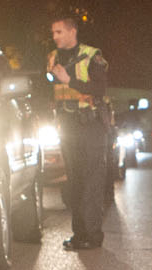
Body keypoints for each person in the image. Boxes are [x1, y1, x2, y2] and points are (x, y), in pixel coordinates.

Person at [46, 14, 112, 250]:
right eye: (53, 32)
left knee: (92, 182)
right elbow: (49, 90)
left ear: (72, 32)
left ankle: (93, 236)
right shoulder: (52, 58)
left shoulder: (92, 55)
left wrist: (69, 79)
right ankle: (79, 234)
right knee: (75, 181)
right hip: (68, 126)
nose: (54, 37)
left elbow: (100, 88)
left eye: (59, 32)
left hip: (91, 125)